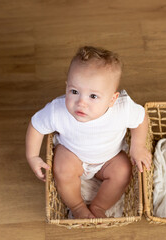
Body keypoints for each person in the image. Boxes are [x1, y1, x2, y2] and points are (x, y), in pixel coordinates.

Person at [25, 46, 151, 219]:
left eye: (93, 96)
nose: (81, 103)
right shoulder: (57, 111)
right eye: (74, 92)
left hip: (109, 159)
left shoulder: (122, 109)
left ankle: (99, 207)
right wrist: (32, 156)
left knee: (123, 170)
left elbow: (141, 118)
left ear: (112, 99)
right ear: (67, 87)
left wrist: (137, 146)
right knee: (62, 167)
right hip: (74, 156)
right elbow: (36, 125)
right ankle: (78, 207)